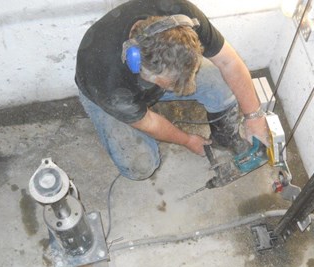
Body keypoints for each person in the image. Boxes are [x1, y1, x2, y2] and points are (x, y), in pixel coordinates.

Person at [75, 0, 269, 180]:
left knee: (221, 83)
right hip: (103, 95)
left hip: (147, 78)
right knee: (140, 165)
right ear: (136, 63)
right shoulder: (107, 79)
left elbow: (229, 62)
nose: (184, 89)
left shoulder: (182, 15)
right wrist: (188, 140)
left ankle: (224, 136)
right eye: (170, 84)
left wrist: (254, 116)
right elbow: (149, 121)